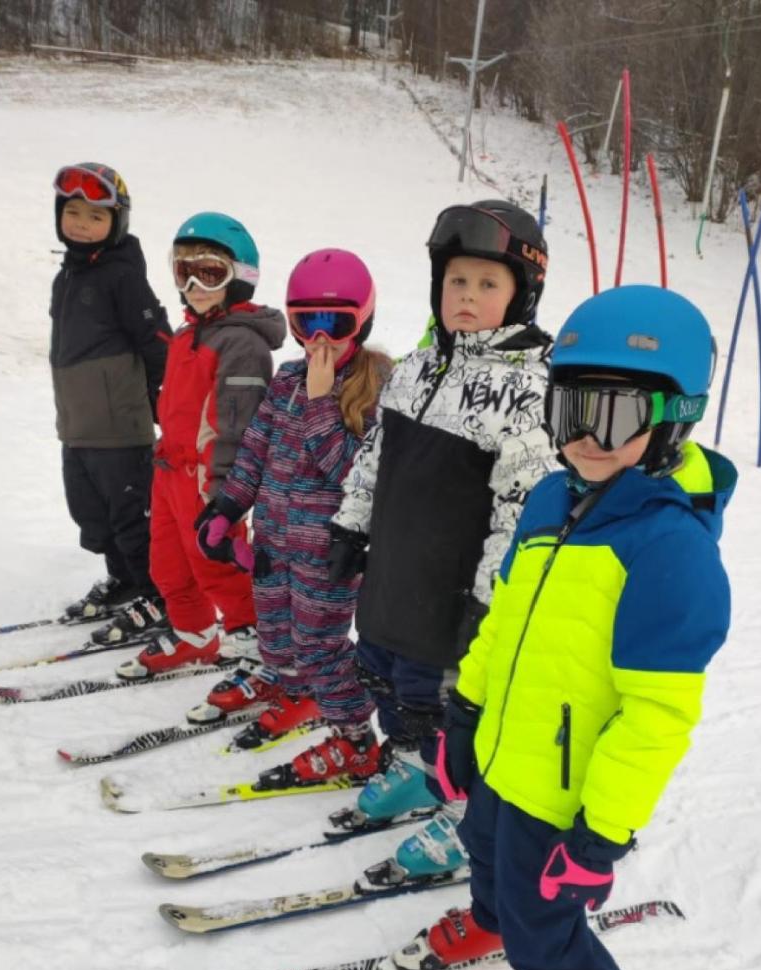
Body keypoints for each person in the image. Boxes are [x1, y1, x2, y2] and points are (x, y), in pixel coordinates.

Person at [406, 284, 736, 970]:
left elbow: (656, 717)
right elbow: (506, 614)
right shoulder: (555, 499)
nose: (587, 436)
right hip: (505, 755)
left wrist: (599, 838)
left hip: (565, 797)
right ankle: (488, 918)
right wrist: (465, 709)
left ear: (675, 418)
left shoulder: (669, 552)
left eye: (618, 413)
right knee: (484, 850)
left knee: (548, 939)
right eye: (571, 408)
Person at [329, 199, 554, 865]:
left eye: (488, 284)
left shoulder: (530, 391)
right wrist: (350, 524)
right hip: (395, 580)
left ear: (523, 293)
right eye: (457, 281)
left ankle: (464, 816)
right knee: (384, 682)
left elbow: (521, 511)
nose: (467, 296)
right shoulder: (419, 368)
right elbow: (375, 455)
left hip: (452, 600)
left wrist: (487, 605)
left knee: (445, 713)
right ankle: (412, 769)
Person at [193, 249, 391, 781]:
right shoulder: (286, 379)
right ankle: (293, 688)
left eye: (336, 324)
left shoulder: (375, 392)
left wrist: (324, 403)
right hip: (273, 543)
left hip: (328, 555)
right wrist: (228, 505)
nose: (321, 339)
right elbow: (256, 449)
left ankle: (357, 738)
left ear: (363, 321)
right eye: (308, 324)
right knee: (275, 636)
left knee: (319, 647)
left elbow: (353, 474)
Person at [111, 213, 286, 679]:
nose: (193, 284)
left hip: (208, 479)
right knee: (167, 566)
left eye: (208, 272)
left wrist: (223, 495)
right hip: (169, 473)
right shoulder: (188, 335)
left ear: (240, 277)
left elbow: (239, 427)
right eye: (182, 271)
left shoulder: (244, 346)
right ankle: (193, 634)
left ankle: (256, 642)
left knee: (218, 569)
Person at [50, 163, 170, 623]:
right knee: (92, 514)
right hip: (78, 424)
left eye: (96, 217)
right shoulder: (68, 275)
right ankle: (124, 580)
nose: (82, 224)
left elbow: (156, 341)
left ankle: (154, 592)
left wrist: (169, 404)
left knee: (129, 518)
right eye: (73, 212)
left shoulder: (122, 276)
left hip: (120, 426)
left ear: (116, 223)